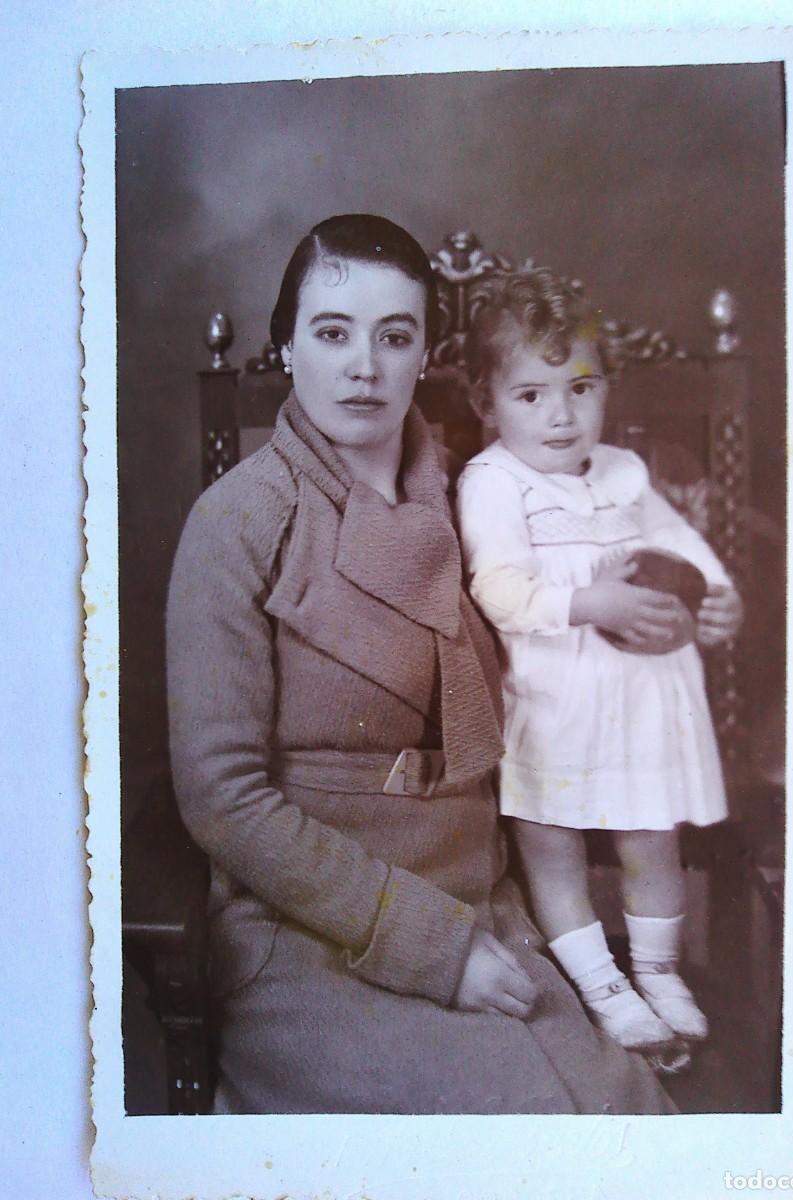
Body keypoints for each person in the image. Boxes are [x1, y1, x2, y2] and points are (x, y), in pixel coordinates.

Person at [166, 214, 673, 1114]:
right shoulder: (238, 521)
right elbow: (223, 798)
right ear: (287, 346)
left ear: (424, 355)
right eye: (332, 333)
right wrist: (429, 947)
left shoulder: (479, 499)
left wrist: (676, 608)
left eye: (394, 337)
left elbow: (572, 635)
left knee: (625, 1128)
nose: (364, 366)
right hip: (319, 933)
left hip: (488, 900)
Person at [456, 268, 743, 1071]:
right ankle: (601, 982)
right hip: (554, 698)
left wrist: (717, 599)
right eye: (531, 395)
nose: (561, 415)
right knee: (554, 846)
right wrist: (592, 603)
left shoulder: (624, 474)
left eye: (581, 388)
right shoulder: (493, 483)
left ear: (606, 389)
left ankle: (658, 971)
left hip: (644, 697)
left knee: (652, 838)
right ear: (487, 402)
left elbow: (687, 551)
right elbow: (500, 589)